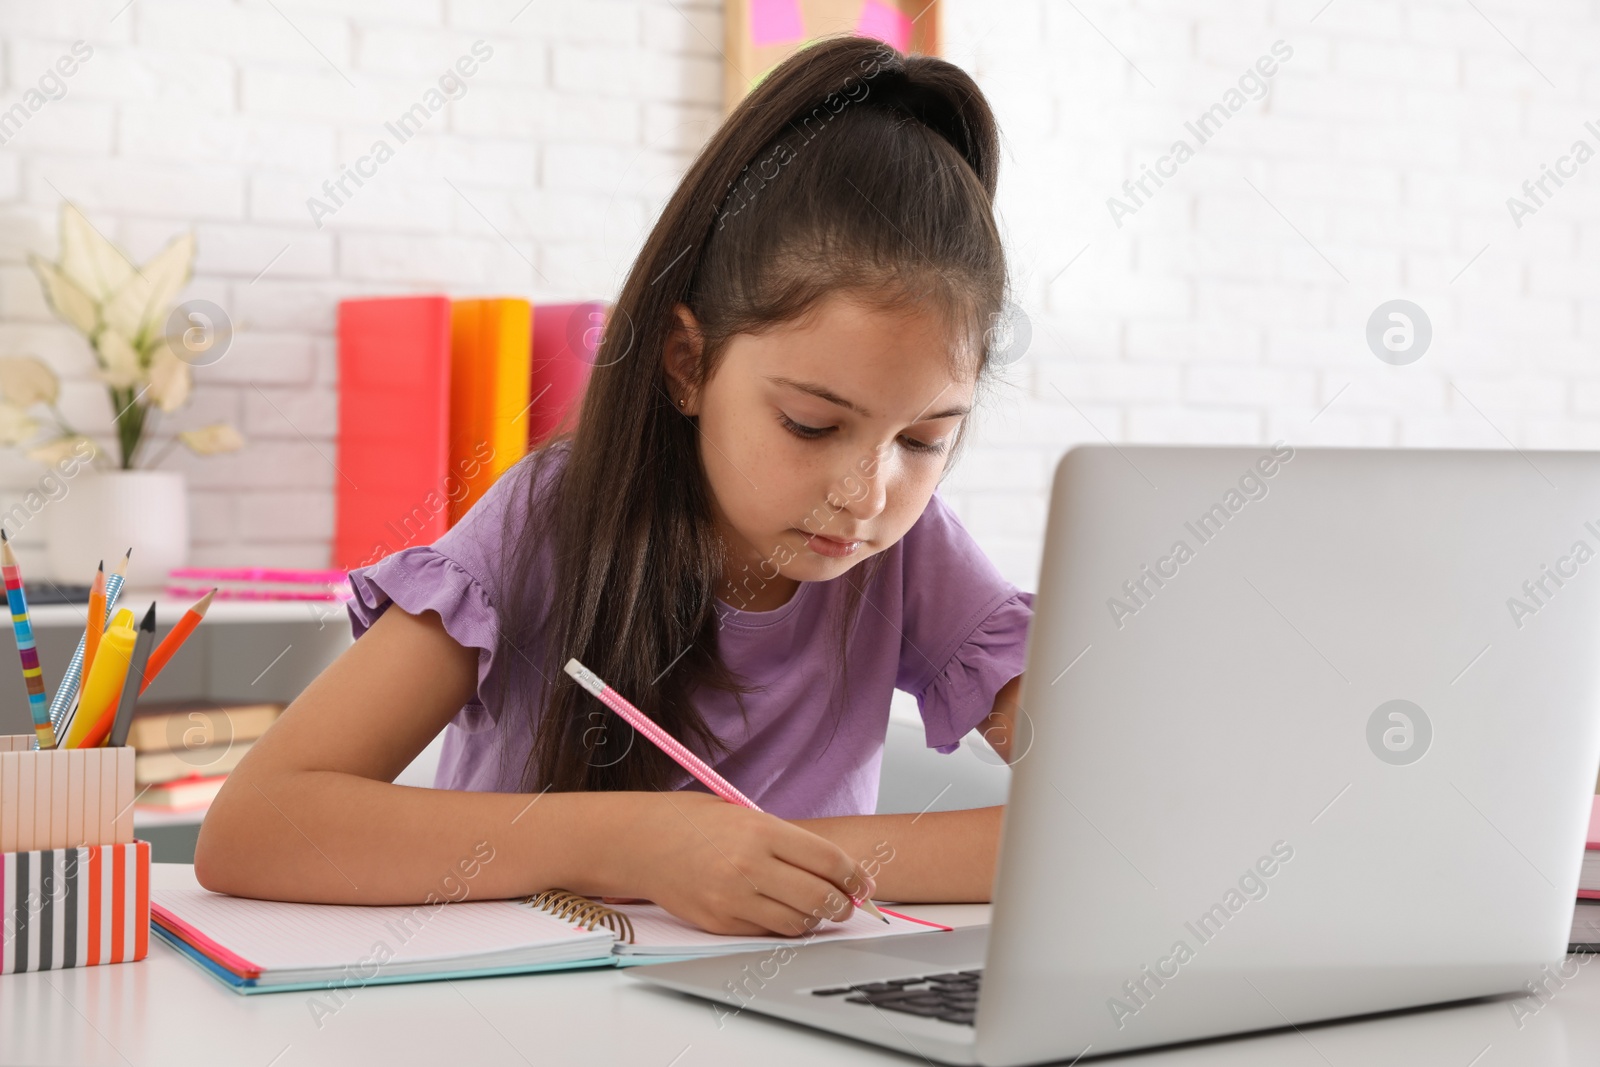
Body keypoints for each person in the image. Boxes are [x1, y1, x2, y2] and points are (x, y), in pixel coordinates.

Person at [197, 35, 1032, 938]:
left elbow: (1115, 819)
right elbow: (255, 828)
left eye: (923, 438)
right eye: (810, 425)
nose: (868, 493)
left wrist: (777, 859)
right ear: (687, 363)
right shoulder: (549, 516)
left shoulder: (910, 548)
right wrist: (637, 845)